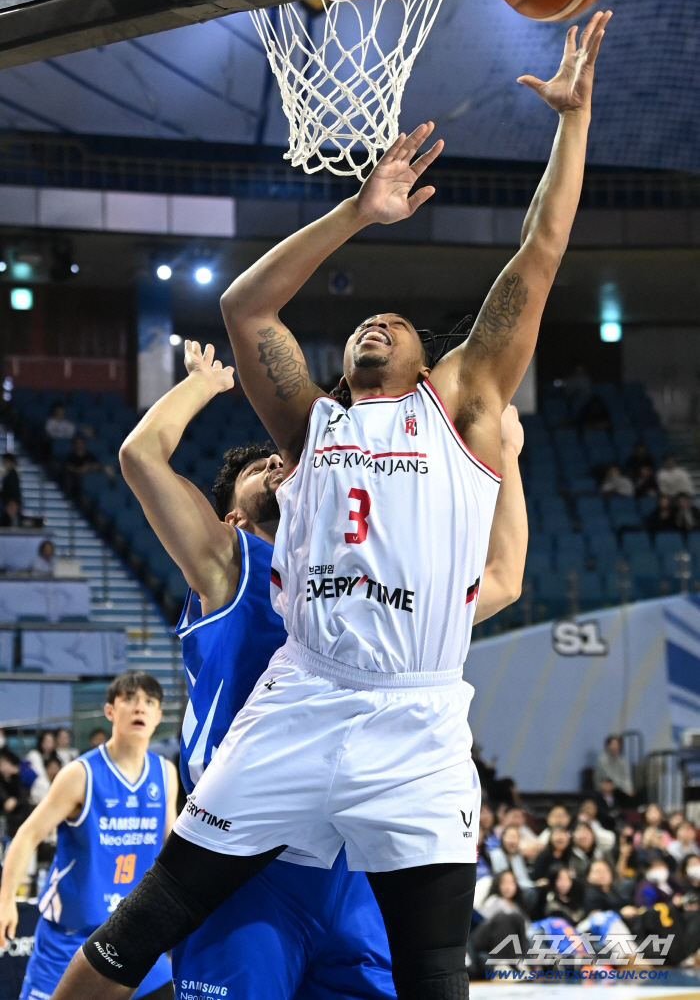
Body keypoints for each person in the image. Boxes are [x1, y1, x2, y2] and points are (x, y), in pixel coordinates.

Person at [55, 9, 611, 1000]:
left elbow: (540, 250)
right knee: (141, 928)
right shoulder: (311, 429)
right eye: (358, 326)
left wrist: (570, 122)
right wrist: (358, 210)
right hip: (302, 703)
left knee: (436, 981)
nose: (372, 329)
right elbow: (244, 310)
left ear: (429, 360)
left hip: (417, 724)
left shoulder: (467, 404)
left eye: (390, 324)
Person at [117, 340, 529, 1000]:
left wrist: (503, 450)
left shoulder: (371, 586)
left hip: (352, 860)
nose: (280, 460)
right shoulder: (233, 562)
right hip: (247, 860)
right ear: (233, 516)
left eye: (285, 457)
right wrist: (200, 383)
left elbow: (502, 578)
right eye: (260, 470)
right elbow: (140, 454)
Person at [0, 671, 178, 1000]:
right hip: (71, 937)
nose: (140, 708)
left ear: (158, 716)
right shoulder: (80, 775)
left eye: (149, 702)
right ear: (110, 711)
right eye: (130, 700)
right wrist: (5, 902)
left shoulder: (166, 774)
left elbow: (175, 849)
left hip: (133, 933)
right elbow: (26, 836)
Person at [0, 748, 32, 837]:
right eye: (2, 764)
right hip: (4, 815)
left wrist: (16, 801)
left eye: (7, 763)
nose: (4, 767)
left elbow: (22, 798)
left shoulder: (16, 779)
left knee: (30, 808)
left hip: (19, 813)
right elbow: (7, 804)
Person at [594, 735, 633, 799]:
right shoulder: (602, 760)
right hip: (605, 786)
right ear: (608, 745)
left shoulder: (622, 760)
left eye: (617, 744)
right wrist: (621, 787)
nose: (615, 747)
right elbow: (608, 777)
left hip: (620, 787)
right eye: (613, 744)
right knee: (608, 787)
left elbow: (626, 777)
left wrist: (629, 788)